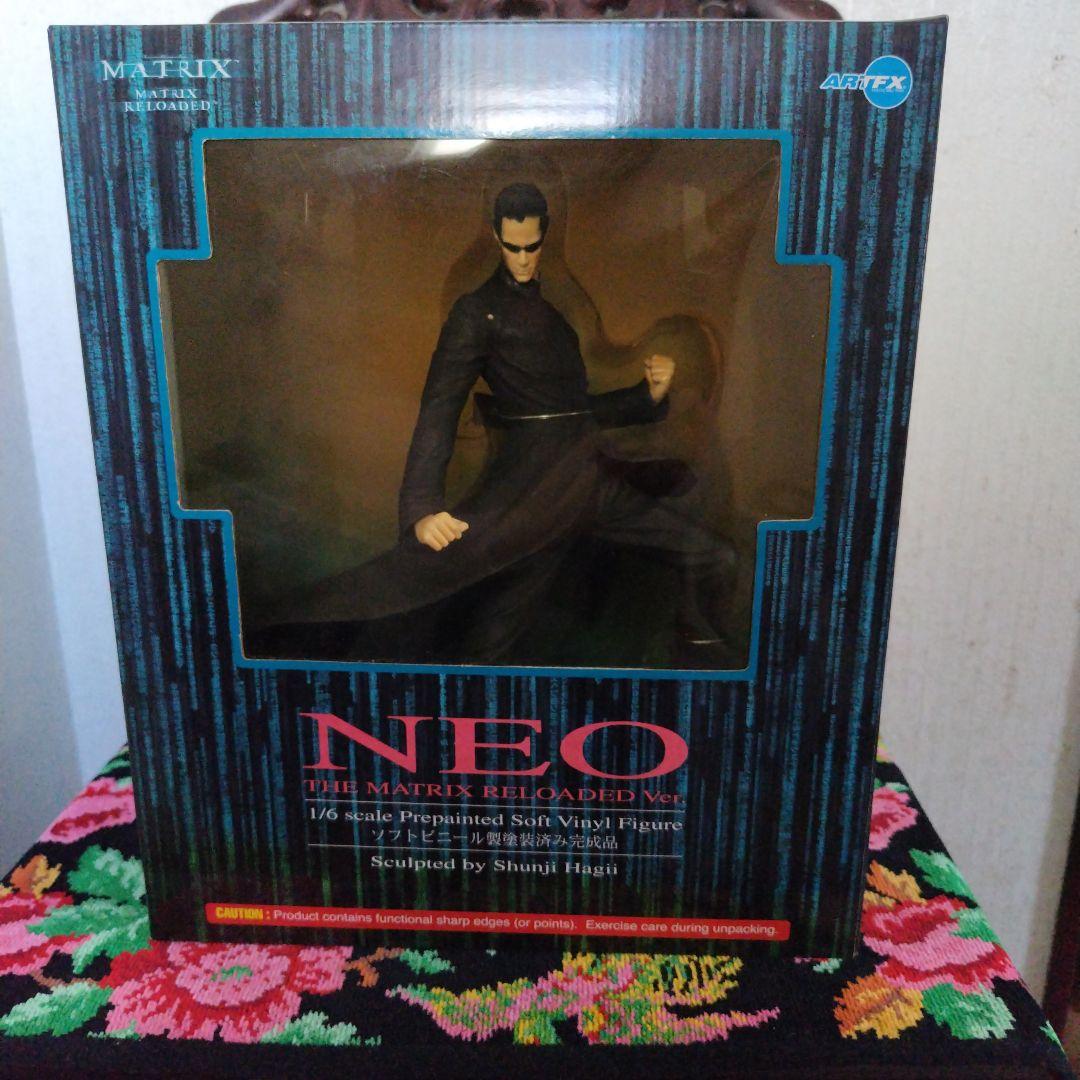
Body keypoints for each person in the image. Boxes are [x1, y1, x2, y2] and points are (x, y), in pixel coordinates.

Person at [258, 182, 733, 666]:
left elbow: (573, 412)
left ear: (545, 237)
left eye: (532, 246)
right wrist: (422, 507)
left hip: (589, 483)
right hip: (532, 494)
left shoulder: (556, 320)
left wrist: (647, 396)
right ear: (496, 238)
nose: (523, 260)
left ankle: (699, 659)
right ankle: (285, 639)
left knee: (711, 555)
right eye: (512, 247)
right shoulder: (475, 313)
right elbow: (440, 409)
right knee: (477, 623)